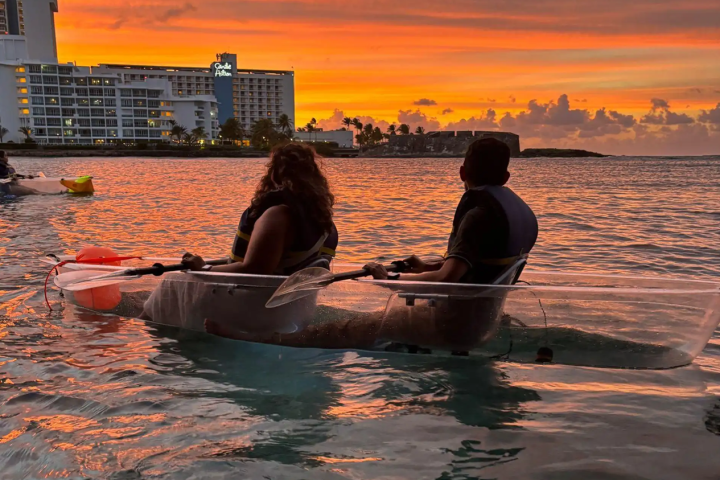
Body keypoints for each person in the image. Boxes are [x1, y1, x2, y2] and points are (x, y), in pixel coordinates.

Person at [206, 138, 539, 352]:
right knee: (364, 323)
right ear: (506, 178)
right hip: (483, 322)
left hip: (452, 326)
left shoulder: (478, 214)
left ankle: (253, 340)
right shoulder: (516, 211)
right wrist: (427, 266)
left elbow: (448, 279)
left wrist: (389, 279)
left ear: (462, 170)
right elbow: (473, 265)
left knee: (339, 331)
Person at [140, 142, 339, 329]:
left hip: (258, 309)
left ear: (275, 175)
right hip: (296, 310)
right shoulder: (324, 224)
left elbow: (255, 269)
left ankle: (139, 332)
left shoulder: (277, 215)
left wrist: (204, 268)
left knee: (173, 282)